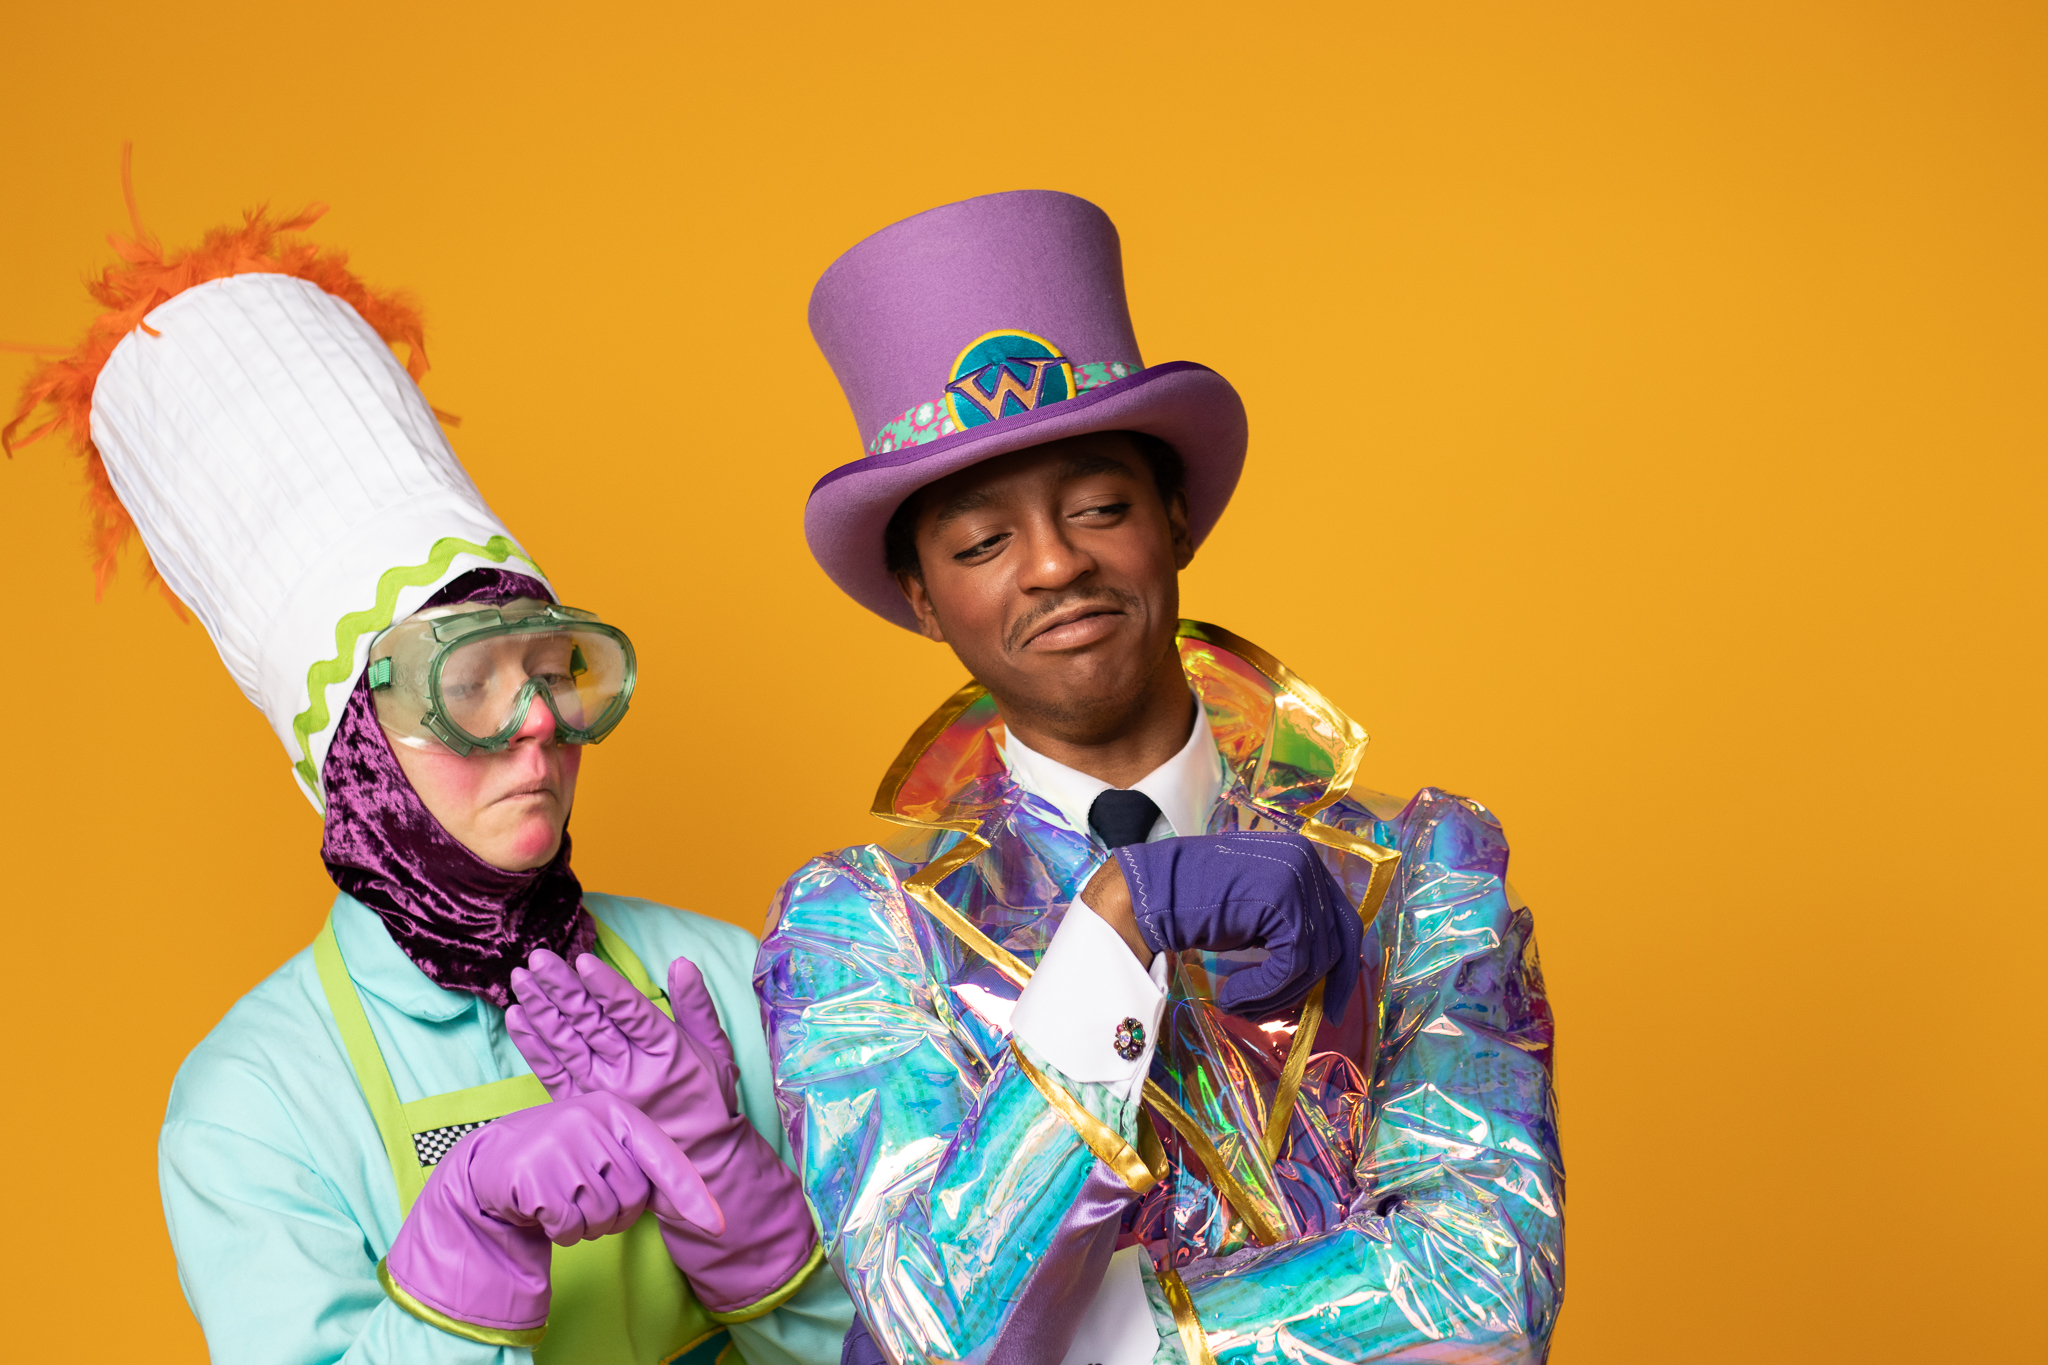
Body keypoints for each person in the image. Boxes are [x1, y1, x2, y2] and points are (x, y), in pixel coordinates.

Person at [6, 204, 852, 1364]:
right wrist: (466, 1258)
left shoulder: (724, 981)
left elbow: (927, 1339)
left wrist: (755, 1229)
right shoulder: (253, 1102)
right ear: (353, 750)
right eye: (469, 687)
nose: (540, 723)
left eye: (554, 671)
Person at [755, 190, 1564, 1365]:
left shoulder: (1422, 869)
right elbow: (929, 1323)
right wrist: (1116, 921)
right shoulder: (859, 930)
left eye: (1099, 506)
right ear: (922, 599)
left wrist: (1088, 1342)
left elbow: (1485, 1281)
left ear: (1176, 520)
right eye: (981, 543)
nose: (1053, 564)